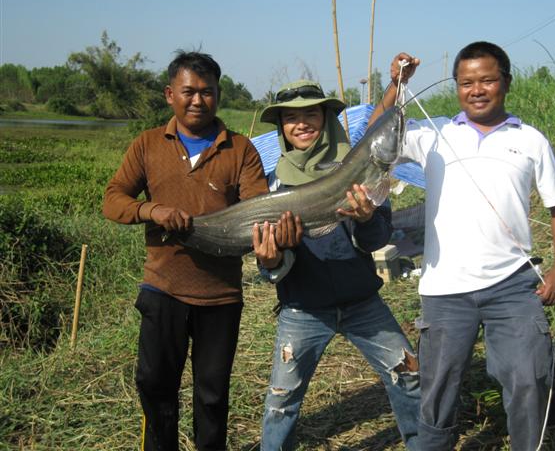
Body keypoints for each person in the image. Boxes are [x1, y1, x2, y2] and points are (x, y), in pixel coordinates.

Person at [369, 42, 555, 450]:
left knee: (529, 376)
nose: (476, 89)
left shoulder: (531, 140)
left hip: (513, 286)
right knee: (438, 388)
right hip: (446, 290)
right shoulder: (435, 132)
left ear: (506, 83)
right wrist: (395, 86)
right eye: (466, 82)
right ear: (456, 87)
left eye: (487, 80)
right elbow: (378, 136)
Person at [103, 51, 273, 450]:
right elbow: (113, 200)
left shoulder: (241, 149)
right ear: (169, 94)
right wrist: (151, 210)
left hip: (221, 295)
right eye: (188, 92)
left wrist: (272, 240)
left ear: (219, 94)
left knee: (212, 395)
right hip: (162, 288)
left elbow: (258, 209)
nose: (198, 100)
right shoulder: (147, 144)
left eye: (207, 92)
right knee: (155, 386)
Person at [253, 80, 421, 450]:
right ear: (281, 128)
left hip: (362, 303)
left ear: (327, 119)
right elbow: (269, 267)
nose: (301, 124)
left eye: (310, 114)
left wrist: (365, 218)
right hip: (302, 309)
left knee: (410, 375)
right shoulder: (272, 186)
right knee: (281, 402)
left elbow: (376, 240)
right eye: (290, 118)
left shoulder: (362, 167)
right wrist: (272, 258)